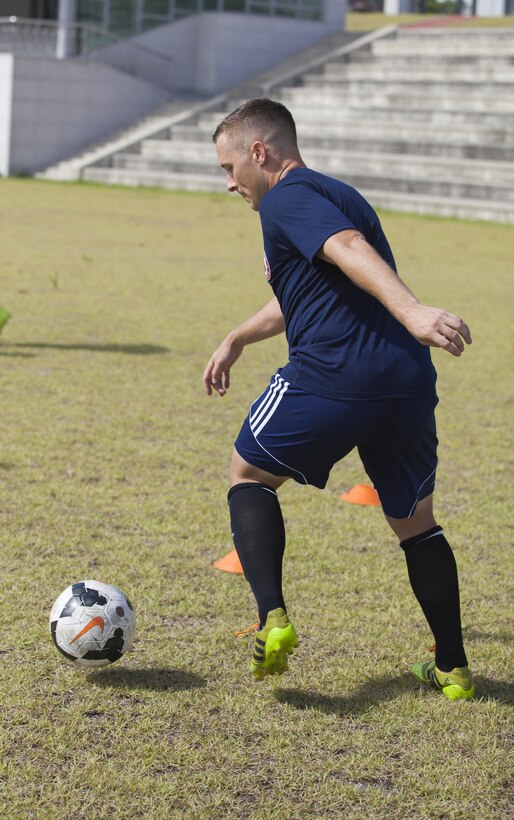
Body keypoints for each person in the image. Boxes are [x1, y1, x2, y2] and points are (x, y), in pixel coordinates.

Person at [203, 98, 474, 701]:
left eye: (228, 168)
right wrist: (236, 337)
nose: (228, 184)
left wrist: (413, 310)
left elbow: (347, 248)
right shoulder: (336, 192)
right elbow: (311, 289)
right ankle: (452, 668)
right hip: (405, 383)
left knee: (246, 475)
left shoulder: (287, 198)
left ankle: (272, 616)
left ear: (260, 152)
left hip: (333, 377)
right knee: (416, 524)